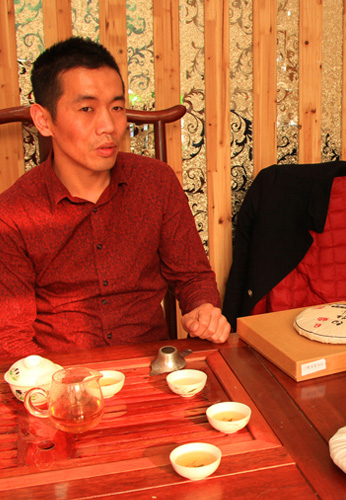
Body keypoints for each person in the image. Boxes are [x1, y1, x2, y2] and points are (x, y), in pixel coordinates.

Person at [0, 37, 230, 357]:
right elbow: (11, 337)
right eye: (86, 108)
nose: (109, 125)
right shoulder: (12, 214)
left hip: (153, 365)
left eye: (117, 107)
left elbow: (192, 276)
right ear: (44, 120)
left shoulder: (155, 182)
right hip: (61, 378)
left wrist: (203, 309)